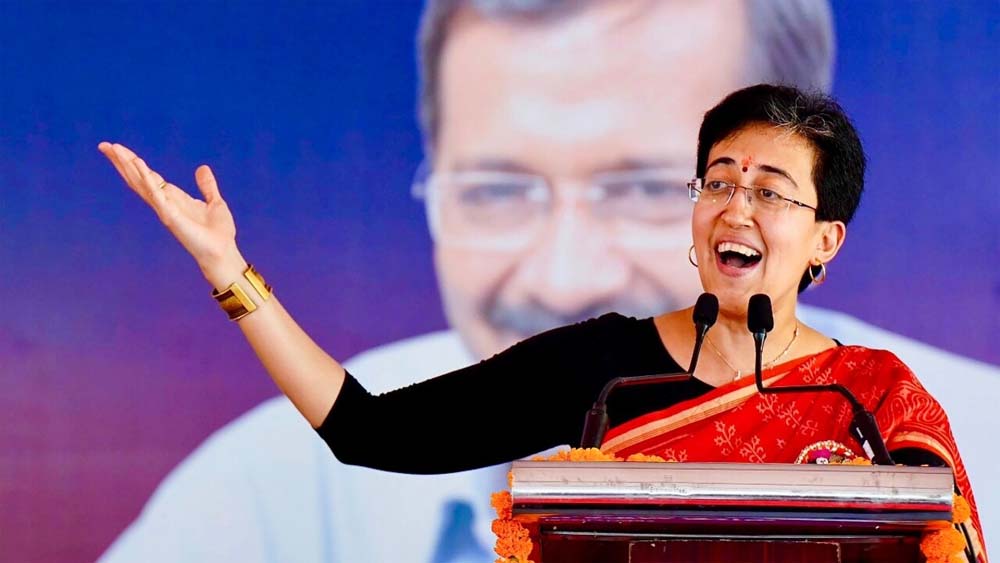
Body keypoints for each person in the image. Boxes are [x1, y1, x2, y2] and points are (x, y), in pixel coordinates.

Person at [99, 2, 999, 561]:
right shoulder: (601, 368)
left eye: (770, 192)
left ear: (825, 239)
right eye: (718, 182)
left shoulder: (876, 396)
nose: (736, 208)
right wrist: (231, 274)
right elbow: (370, 430)